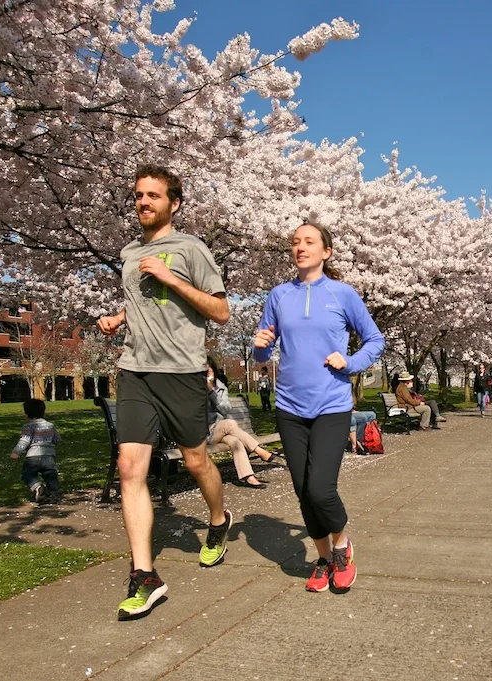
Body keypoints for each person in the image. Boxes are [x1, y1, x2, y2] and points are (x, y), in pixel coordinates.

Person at [97, 165, 231, 621]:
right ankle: (145, 576)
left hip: (182, 372)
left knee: (196, 461)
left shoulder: (192, 249)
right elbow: (140, 303)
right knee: (129, 467)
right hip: (135, 371)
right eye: (138, 195)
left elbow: (221, 311)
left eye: (153, 195)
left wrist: (174, 279)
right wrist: (119, 318)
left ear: (173, 203)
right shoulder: (128, 252)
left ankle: (218, 521)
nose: (143, 202)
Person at [253, 221, 384, 594]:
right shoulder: (279, 295)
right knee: (301, 489)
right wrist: (260, 345)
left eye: (309, 242)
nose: (300, 247)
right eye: (295, 242)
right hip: (290, 405)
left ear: (326, 252)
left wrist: (352, 362)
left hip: (331, 403)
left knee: (320, 488)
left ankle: (342, 546)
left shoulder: (342, 294)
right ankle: (323, 557)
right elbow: (262, 351)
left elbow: (376, 339)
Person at [207, 356, 281, 489]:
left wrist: (212, 392)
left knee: (236, 442)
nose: (206, 376)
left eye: (209, 372)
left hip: (219, 430)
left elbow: (225, 409)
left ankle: (249, 477)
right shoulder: (193, 389)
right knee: (230, 423)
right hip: (205, 432)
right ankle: (259, 450)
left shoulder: (220, 387)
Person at [9, 398, 62, 504]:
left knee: (27, 474)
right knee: (51, 475)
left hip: (33, 456)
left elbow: (25, 440)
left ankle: (37, 486)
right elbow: (57, 439)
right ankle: (53, 494)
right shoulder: (50, 425)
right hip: (49, 456)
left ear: (26, 414)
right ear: (44, 412)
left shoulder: (28, 426)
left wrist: (16, 452)